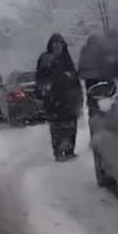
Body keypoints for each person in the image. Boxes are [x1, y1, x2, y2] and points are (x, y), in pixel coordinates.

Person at [36, 33, 82, 162]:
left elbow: (75, 78)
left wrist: (78, 97)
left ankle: (69, 150)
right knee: (57, 126)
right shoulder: (45, 59)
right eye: (54, 44)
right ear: (50, 45)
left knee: (71, 126)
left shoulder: (66, 59)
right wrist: (46, 90)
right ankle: (58, 151)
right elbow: (41, 78)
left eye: (60, 44)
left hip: (70, 98)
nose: (57, 46)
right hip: (54, 99)